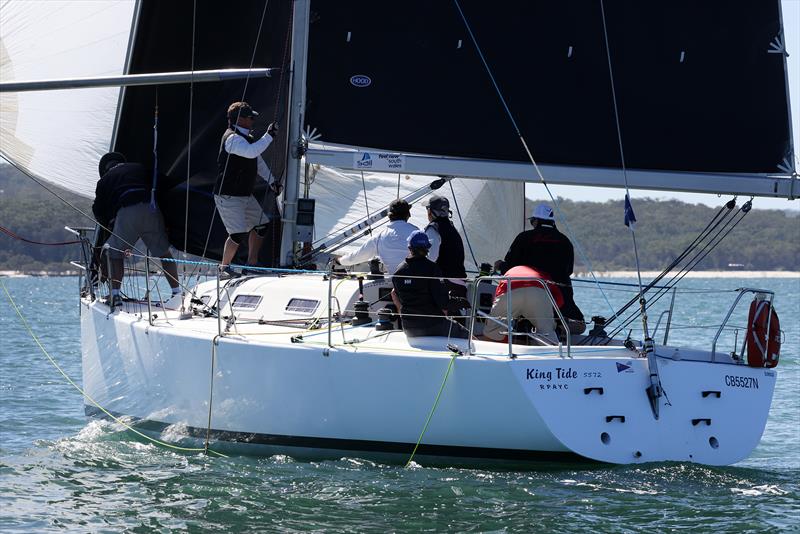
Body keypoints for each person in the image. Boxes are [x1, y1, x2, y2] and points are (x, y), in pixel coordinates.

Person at [92, 152, 180, 308]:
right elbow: (165, 183)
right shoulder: (139, 168)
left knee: (114, 254)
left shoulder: (104, 181)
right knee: (164, 254)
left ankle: (115, 295)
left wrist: (111, 226)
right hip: (151, 210)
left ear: (105, 169)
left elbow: (98, 210)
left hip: (127, 212)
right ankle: (177, 293)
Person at [496, 203, 586, 334]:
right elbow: (569, 271)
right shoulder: (565, 241)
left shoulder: (524, 238)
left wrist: (499, 265)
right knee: (580, 325)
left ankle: (527, 327)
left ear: (536, 221)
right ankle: (558, 330)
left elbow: (510, 268)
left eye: (532, 221)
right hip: (560, 300)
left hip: (528, 301)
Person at [215, 101, 279, 278]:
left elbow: (256, 161)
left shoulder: (247, 138)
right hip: (228, 196)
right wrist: (269, 136)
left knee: (261, 225)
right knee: (237, 233)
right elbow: (251, 152)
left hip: (244, 194)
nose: (253, 120)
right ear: (241, 119)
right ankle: (224, 268)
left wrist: (272, 181)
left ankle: (251, 264)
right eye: (250, 117)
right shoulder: (232, 139)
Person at [391, 231, 453, 338]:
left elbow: (394, 294)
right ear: (427, 248)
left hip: (409, 328)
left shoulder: (398, 272)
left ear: (409, 247)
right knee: (469, 338)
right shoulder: (432, 269)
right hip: (434, 326)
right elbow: (443, 303)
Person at [334, 199, 418, 274]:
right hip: (419, 283)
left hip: (395, 284)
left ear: (389, 215)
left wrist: (339, 260)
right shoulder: (417, 233)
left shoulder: (380, 236)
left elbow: (356, 257)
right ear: (408, 215)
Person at [483, 265, 564, 342]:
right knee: (547, 332)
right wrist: (545, 309)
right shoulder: (544, 275)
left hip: (510, 288)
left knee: (493, 330)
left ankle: (497, 349)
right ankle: (550, 352)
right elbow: (559, 300)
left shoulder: (511, 271)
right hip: (537, 290)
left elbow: (498, 294)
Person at [423, 195, 468, 300]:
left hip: (444, 284)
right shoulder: (451, 228)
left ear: (430, 211)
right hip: (458, 283)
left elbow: (431, 257)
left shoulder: (433, 229)